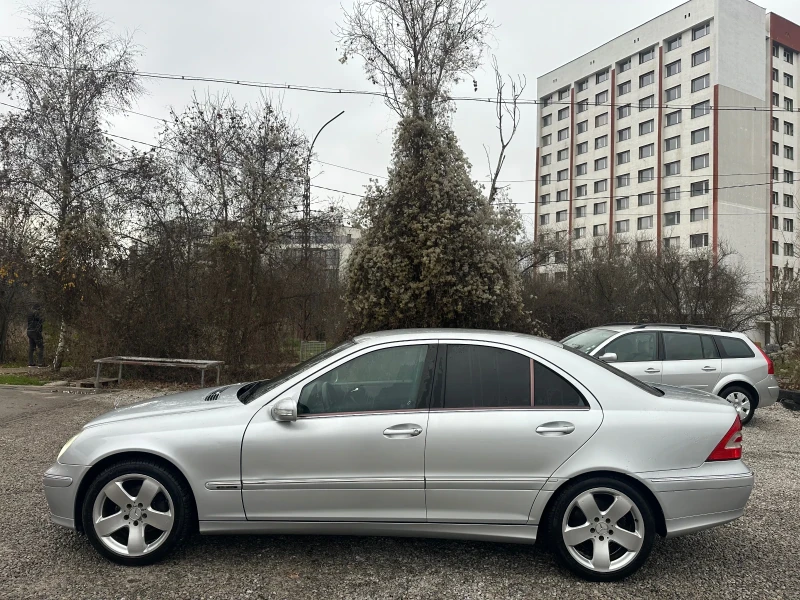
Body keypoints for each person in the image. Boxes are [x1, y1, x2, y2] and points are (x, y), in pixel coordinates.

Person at [27, 303, 44, 368]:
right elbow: (40, 320)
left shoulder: (29, 313)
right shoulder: (36, 312)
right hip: (36, 331)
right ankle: (40, 363)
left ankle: (30, 363)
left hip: (29, 331)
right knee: (41, 347)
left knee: (32, 347)